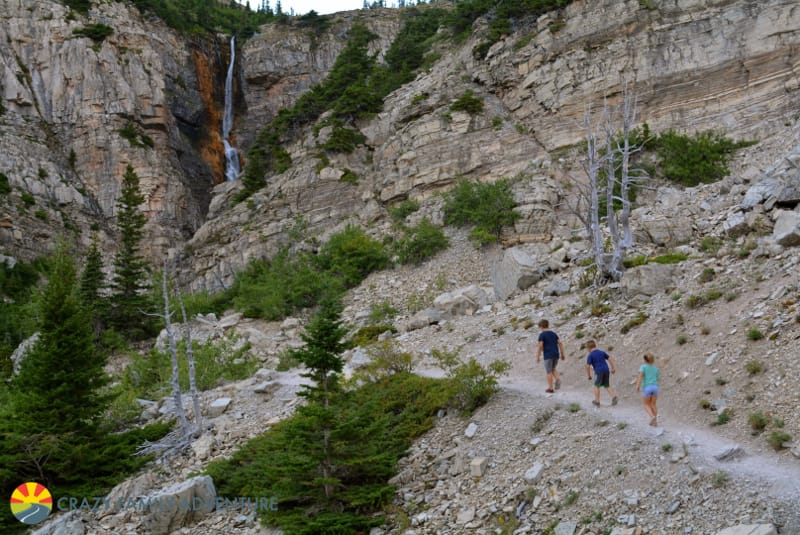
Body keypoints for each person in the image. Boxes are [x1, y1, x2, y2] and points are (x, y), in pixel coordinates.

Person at [584, 340, 618, 407]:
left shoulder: (590, 355)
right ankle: (614, 397)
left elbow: (587, 366)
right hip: (606, 370)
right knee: (606, 385)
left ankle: (597, 401)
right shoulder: (601, 352)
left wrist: (589, 375)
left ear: (588, 348)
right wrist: (613, 368)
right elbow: (610, 358)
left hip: (599, 371)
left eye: (587, 348)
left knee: (596, 386)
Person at [536, 319, 565, 393]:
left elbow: (540, 346)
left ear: (541, 326)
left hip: (548, 355)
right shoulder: (553, 334)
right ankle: (557, 379)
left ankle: (550, 388)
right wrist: (562, 354)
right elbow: (560, 343)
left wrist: (538, 356)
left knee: (548, 371)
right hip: (556, 354)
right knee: (553, 368)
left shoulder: (542, 335)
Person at [636, 352, 660, 426]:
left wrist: (637, 386)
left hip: (647, 387)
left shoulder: (643, 367)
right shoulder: (656, 369)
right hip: (655, 387)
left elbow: (640, 377)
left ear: (645, 360)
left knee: (646, 404)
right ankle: (655, 421)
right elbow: (657, 378)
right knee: (653, 404)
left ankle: (652, 417)